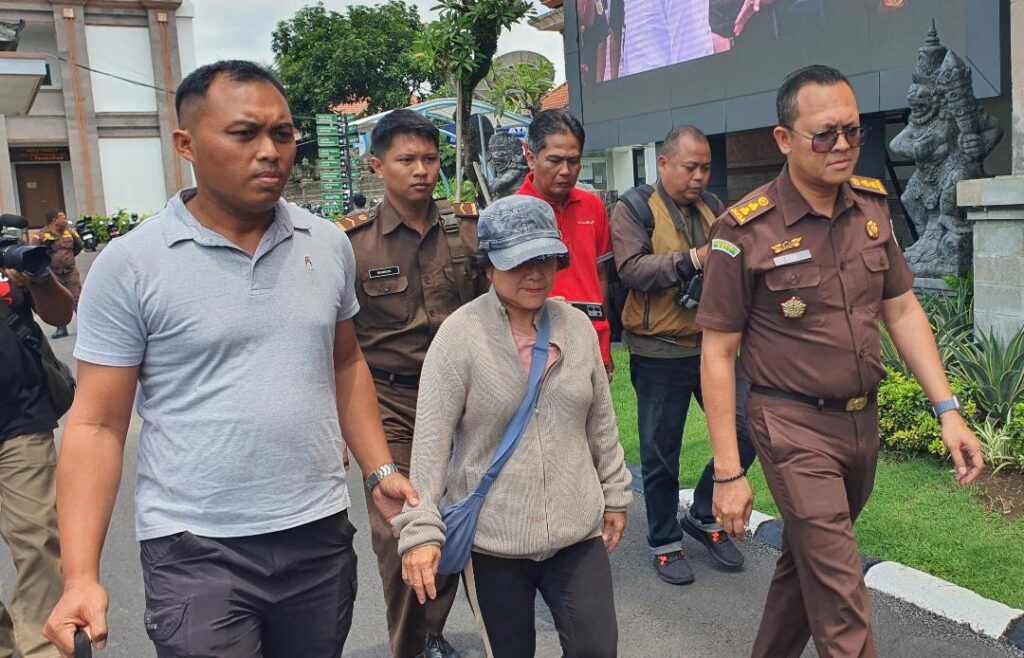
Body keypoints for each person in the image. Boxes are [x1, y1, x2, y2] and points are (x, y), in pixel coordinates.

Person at [42, 60, 418, 658]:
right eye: (245, 134)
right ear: (186, 144)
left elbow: (345, 364)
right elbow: (96, 424)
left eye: (283, 134)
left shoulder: (326, 243)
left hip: (317, 535)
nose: (270, 151)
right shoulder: (133, 264)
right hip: (196, 549)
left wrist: (378, 470)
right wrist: (81, 576)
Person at [698, 65, 984, 658]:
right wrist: (728, 471)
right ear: (784, 139)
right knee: (841, 595)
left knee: (807, 563)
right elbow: (719, 352)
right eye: (824, 134)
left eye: (852, 132)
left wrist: (947, 409)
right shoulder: (744, 230)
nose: (843, 146)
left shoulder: (873, 209)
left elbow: (902, 312)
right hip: (791, 426)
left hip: (860, 426)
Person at [395, 195, 632, 658]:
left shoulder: (577, 327)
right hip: (494, 542)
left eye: (544, 259)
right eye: (519, 261)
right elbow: (429, 446)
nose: (535, 273)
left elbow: (602, 424)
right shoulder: (459, 337)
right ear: (487, 267)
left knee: (597, 649)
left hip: (576, 531)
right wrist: (420, 532)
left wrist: (616, 494)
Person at [336, 109, 485, 658]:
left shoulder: (467, 230)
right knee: (399, 531)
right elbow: (334, 349)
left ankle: (430, 632)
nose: (421, 170)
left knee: (456, 522)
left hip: (464, 403)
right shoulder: (349, 246)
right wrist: (338, 429)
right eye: (406, 160)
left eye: (429, 158)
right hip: (390, 406)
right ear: (376, 166)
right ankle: (409, 648)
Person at [610, 125, 756, 584]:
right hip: (659, 349)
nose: (698, 176)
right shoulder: (634, 208)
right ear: (664, 164)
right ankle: (664, 540)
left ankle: (705, 513)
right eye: (690, 167)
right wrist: (694, 259)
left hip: (714, 346)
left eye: (706, 167)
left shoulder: (715, 207)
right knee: (659, 450)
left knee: (748, 426)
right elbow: (631, 269)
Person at [0, 262, 73, 658]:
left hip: (19, 420)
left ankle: (43, 649)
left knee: (38, 543)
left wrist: (39, 277)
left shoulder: (5, 256)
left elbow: (60, 315)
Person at [516, 109, 614, 380]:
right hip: (536, 349)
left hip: (591, 340)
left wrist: (604, 346)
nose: (565, 171)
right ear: (531, 157)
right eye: (555, 160)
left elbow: (601, 276)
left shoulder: (593, 206)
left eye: (574, 161)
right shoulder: (512, 213)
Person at [29, 210, 82, 339]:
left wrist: (67, 259)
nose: (65, 220)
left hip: (70, 271)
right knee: (58, 300)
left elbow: (78, 246)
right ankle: (61, 328)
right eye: (62, 218)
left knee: (77, 298)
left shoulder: (70, 232)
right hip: (52, 273)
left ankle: (85, 326)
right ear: (54, 220)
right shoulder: (40, 236)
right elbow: (33, 253)